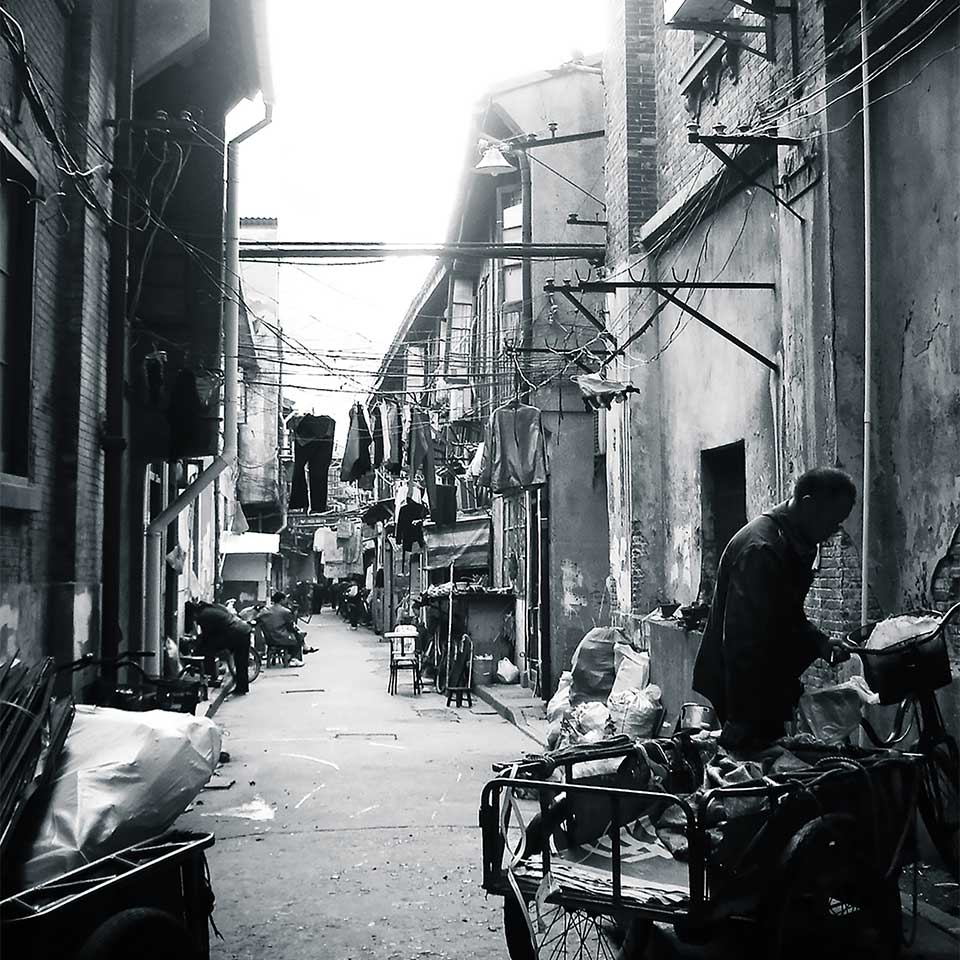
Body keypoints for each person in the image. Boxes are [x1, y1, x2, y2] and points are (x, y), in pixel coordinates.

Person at [692, 467, 856, 751]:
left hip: (766, 680)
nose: (834, 531)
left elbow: (787, 612)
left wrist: (820, 642)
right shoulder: (762, 549)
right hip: (743, 688)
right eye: (832, 521)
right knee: (752, 772)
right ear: (807, 504)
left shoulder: (796, 540)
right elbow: (742, 640)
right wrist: (741, 719)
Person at [187, 599, 253, 696]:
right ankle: (242, 687)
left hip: (237, 633)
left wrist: (196, 643)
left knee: (208, 649)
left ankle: (210, 675)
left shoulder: (203, 616)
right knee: (241, 662)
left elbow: (207, 636)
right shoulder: (212, 607)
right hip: (243, 629)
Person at [257, 591, 305, 664]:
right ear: (282, 600)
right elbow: (290, 626)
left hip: (268, 638)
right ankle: (293, 658)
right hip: (280, 637)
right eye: (285, 599)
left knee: (297, 634)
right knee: (298, 636)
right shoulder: (285, 611)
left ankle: (294, 654)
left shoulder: (265, 610)